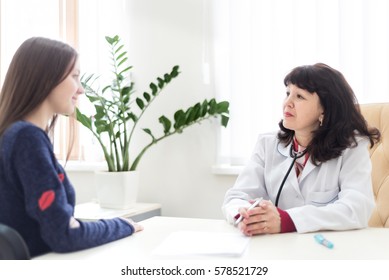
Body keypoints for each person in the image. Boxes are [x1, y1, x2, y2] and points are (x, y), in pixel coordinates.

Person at [0, 37, 143, 257]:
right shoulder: (27, 139)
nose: (81, 90)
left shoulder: (13, 135)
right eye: (75, 77)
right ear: (46, 79)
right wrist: (122, 226)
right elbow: (64, 234)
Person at [222, 63, 380, 236]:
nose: (287, 103)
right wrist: (246, 215)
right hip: (279, 247)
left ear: (325, 109)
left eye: (299, 96)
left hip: (329, 250)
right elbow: (236, 196)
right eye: (288, 93)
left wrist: (288, 220)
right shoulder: (267, 144)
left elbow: (356, 208)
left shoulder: (351, 148)